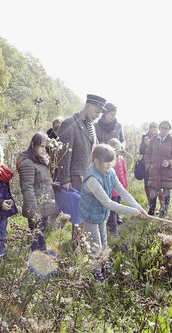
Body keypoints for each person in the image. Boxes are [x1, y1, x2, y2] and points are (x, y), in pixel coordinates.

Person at [78, 144, 148, 283]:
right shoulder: (92, 179)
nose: (110, 164)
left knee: (104, 241)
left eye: (112, 160)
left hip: (102, 214)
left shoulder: (111, 173)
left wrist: (139, 208)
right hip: (90, 215)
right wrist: (131, 211)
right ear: (96, 161)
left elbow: (122, 191)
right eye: (106, 161)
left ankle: (104, 264)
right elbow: (108, 202)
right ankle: (96, 271)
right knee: (95, 244)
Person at [57, 94, 106, 243]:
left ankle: (81, 243)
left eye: (100, 113)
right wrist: (64, 179)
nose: (98, 116)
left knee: (85, 214)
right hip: (74, 178)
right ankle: (77, 246)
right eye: (96, 112)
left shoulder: (91, 126)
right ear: (88, 105)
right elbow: (63, 154)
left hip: (86, 177)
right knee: (78, 216)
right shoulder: (69, 123)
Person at [17, 132, 59, 252]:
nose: (44, 150)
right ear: (32, 144)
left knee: (40, 232)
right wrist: (34, 210)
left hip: (44, 202)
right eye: (41, 146)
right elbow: (27, 187)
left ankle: (42, 252)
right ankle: (35, 258)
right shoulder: (27, 163)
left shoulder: (41, 160)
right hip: (36, 204)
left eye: (46, 147)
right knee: (35, 234)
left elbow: (43, 181)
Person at [144, 120, 172, 217]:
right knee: (152, 194)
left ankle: (163, 214)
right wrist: (148, 167)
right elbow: (147, 155)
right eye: (162, 127)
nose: (164, 129)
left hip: (168, 173)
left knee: (166, 194)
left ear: (169, 129)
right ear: (159, 128)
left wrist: (169, 162)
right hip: (154, 171)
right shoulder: (153, 140)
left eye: (166, 128)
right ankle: (151, 213)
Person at [106, 138, 128, 236]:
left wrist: (125, 185)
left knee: (118, 206)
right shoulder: (108, 163)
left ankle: (112, 222)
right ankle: (114, 229)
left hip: (120, 189)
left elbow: (124, 173)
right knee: (114, 209)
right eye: (116, 150)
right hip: (112, 190)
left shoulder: (121, 160)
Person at [139, 122, 164, 206]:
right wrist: (145, 145)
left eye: (155, 127)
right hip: (146, 165)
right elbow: (141, 151)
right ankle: (150, 204)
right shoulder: (144, 137)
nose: (153, 129)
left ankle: (162, 205)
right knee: (147, 185)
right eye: (152, 127)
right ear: (149, 128)